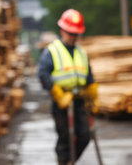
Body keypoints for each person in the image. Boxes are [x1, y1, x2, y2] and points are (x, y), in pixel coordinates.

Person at [38, 9, 98, 165]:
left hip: (79, 100)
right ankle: (63, 161)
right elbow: (43, 74)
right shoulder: (52, 51)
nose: (73, 37)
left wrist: (93, 94)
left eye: (75, 34)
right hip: (62, 101)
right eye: (70, 33)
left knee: (85, 135)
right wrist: (57, 93)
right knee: (65, 137)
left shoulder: (81, 52)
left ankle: (69, 161)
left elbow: (89, 75)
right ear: (62, 31)